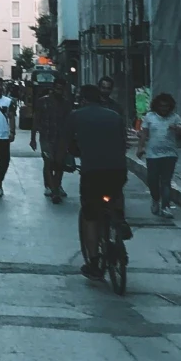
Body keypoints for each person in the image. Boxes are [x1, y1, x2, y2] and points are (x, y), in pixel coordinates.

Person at [69, 84, 131, 276]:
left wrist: (70, 158)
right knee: (115, 191)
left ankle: (94, 263)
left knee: (91, 216)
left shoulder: (76, 115)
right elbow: (123, 142)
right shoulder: (114, 116)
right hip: (117, 169)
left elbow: (68, 142)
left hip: (92, 171)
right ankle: (119, 219)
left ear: (83, 99)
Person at [137, 90, 181, 216]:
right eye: (161, 106)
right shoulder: (150, 117)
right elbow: (144, 133)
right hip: (152, 155)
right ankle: (155, 199)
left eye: (166, 106)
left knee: (166, 181)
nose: (164, 109)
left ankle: (166, 206)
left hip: (170, 154)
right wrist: (140, 148)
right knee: (152, 180)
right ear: (156, 106)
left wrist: (177, 129)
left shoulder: (175, 117)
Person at [31, 80, 73, 201]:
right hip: (46, 136)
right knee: (48, 162)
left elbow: (69, 121)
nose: (59, 91)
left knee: (59, 163)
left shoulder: (66, 103)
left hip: (61, 138)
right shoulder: (43, 101)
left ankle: (57, 185)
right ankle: (52, 188)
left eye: (61, 89)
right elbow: (36, 119)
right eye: (57, 88)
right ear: (53, 88)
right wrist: (33, 138)